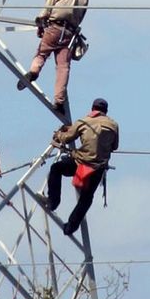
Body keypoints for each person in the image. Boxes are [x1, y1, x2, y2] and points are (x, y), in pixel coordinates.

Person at [39, 98, 118, 236]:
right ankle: (70, 228)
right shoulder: (113, 125)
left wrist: (58, 134)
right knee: (86, 199)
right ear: (106, 111)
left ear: (92, 108)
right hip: (98, 168)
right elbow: (114, 146)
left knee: (56, 168)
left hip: (80, 163)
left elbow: (66, 138)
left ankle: (53, 201)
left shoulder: (83, 122)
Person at [18, 0, 89, 113]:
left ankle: (33, 72)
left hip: (54, 29)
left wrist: (40, 26)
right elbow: (80, 17)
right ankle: (59, 100)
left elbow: (45, 12)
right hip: (69, 34)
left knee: (42, 54)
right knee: (63, 68)